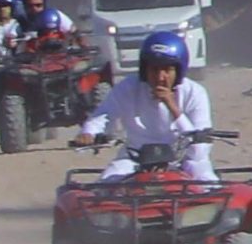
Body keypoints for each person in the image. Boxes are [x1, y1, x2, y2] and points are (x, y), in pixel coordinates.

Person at [72, 29, 215, 180]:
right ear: (144, 69)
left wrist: (172, 107)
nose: (160, 77)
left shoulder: (195, 93)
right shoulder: (128, 87)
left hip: (184, 160)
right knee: (104, 187)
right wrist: (88, 133)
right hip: (135, 158)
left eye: (167, 70)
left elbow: (199, 151)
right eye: (154, 69)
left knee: (211, 188)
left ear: (178, 71)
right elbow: (104, 115)